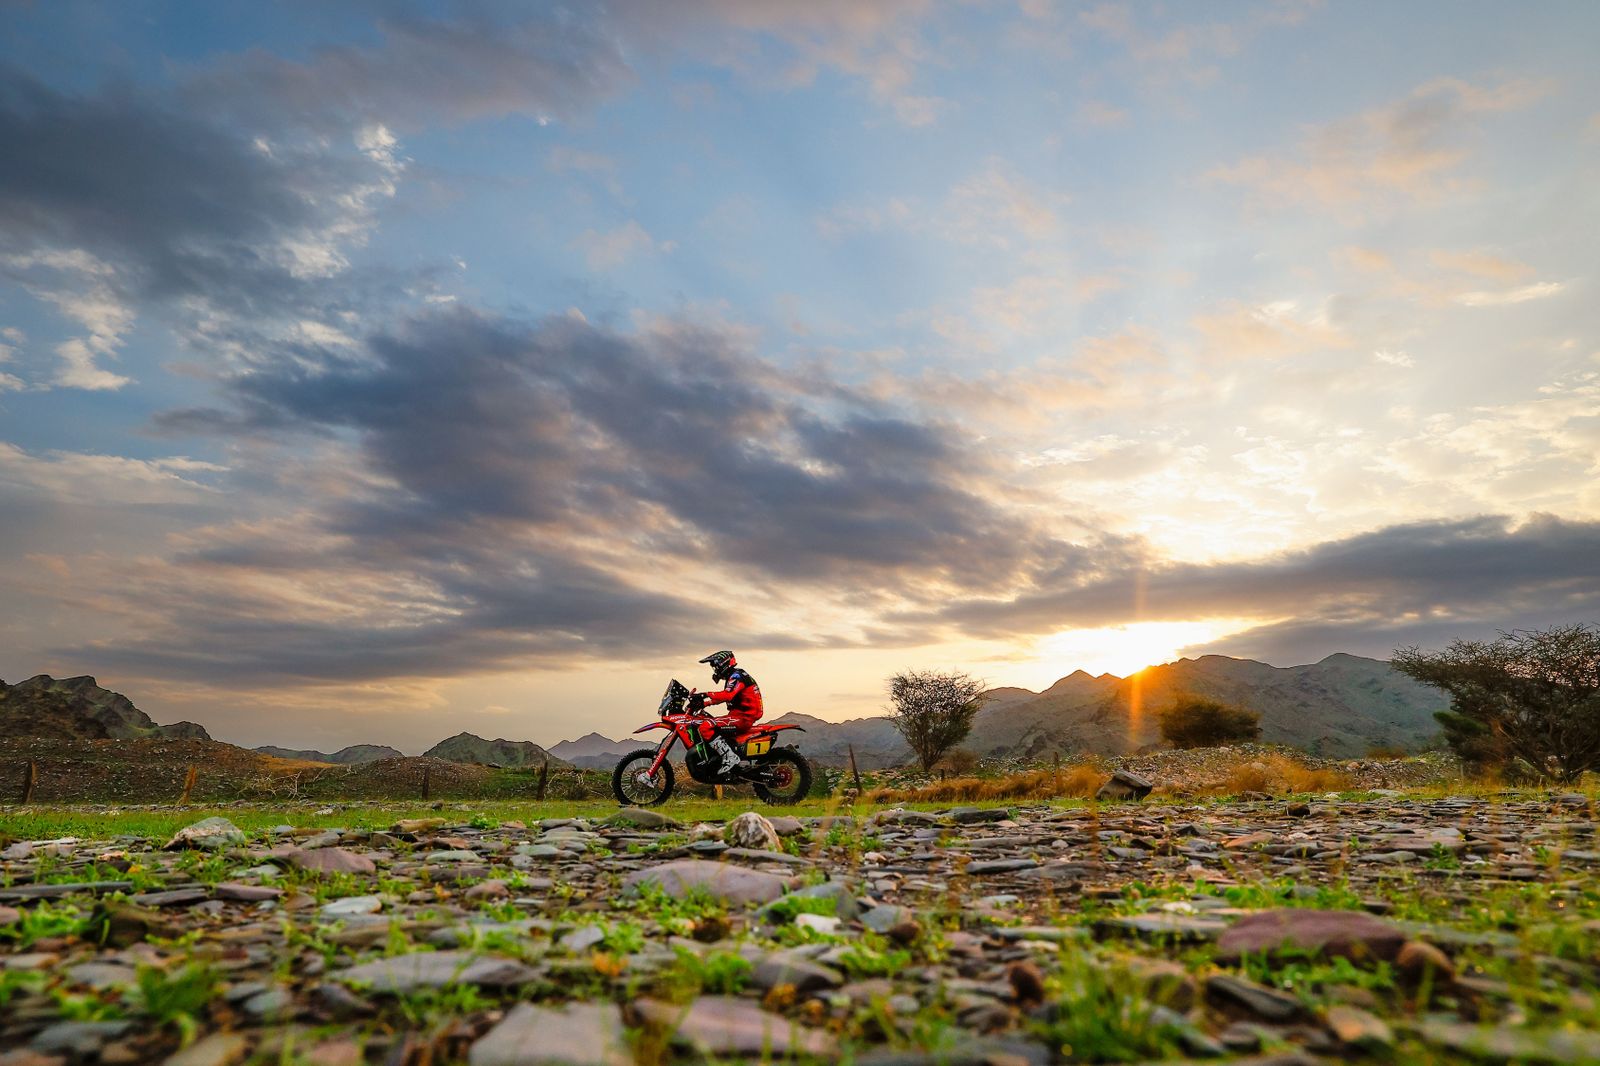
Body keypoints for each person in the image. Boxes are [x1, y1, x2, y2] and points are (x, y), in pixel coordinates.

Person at [692, 650, 763, 774]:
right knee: (707, 721)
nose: (715, 670)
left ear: (723, 664)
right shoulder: (735, 676)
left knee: (705, 726)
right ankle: (723, 758)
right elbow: (725, 697)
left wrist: (705, 694)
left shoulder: (737, 676)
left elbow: (728, 695)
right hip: (740, 715)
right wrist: (704, 704)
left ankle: (730, 758)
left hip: (744, 717)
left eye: (716, 666)